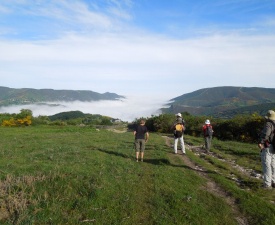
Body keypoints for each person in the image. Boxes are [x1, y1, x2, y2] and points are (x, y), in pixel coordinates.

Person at [258, 110, 275, 189]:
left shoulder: (268, 124)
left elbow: (266, 134)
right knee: (273, 164)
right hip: (274, 146)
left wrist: (261, 143)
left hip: (267, 146)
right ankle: (273, 181)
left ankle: (267, 184)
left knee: (266, 164)